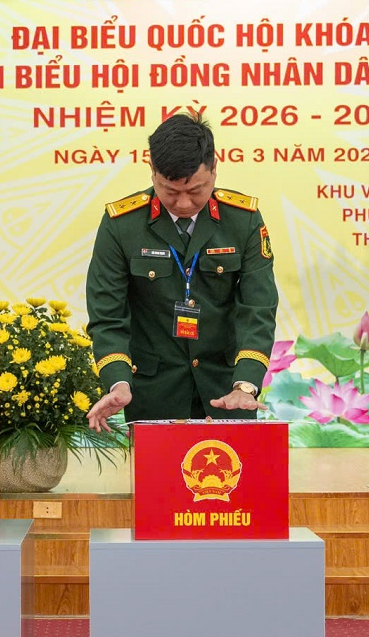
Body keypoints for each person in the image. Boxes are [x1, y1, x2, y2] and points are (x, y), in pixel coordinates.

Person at [84, 113, 277, 428]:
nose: (184, 204)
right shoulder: (121, 225)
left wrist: (246, 383)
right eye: (170, 192)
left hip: (227, 390)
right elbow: (108, 316)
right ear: (152, 171)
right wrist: (118, 383)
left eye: (196, 190)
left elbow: (258, 308)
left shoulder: (243, 220)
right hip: (152, 394)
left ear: (214, 169)